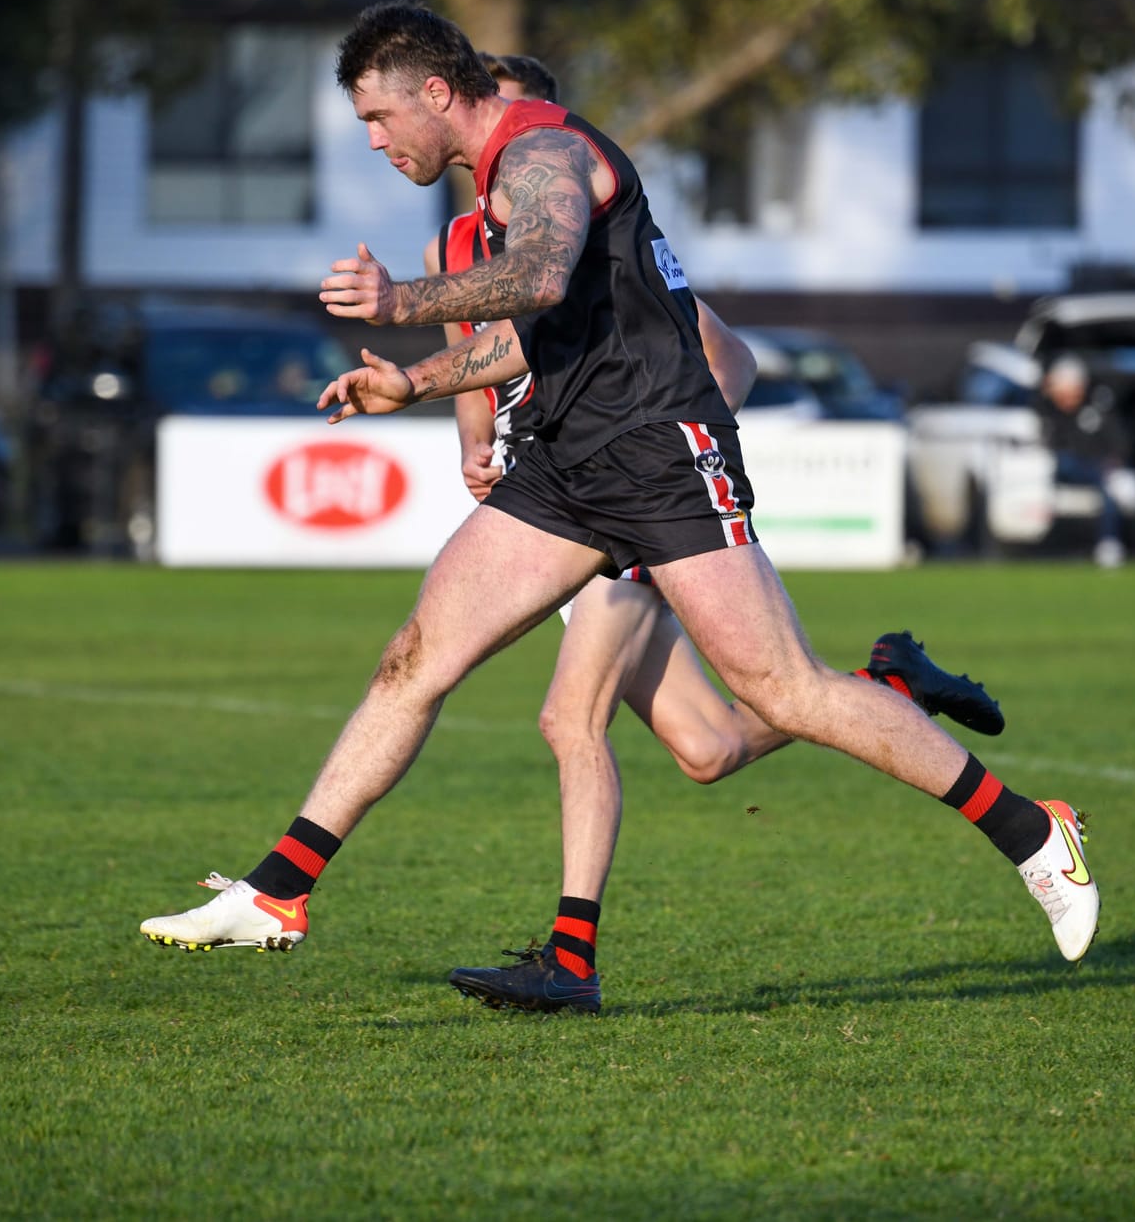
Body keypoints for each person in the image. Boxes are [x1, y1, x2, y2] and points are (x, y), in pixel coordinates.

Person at [138, 1, 1098, 987]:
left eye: (378, 120)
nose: (375, 142)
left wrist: (400, 304)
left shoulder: (540, 151)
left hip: (657, 454)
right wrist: (412, 381)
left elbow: (540, 277)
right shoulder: (500, 179)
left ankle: (1032, 832)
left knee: (778, 693)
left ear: (434, 92)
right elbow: (530, 331)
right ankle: (275, 890)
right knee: (413, 661)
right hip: (564, 467)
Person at [426, 53, 1004, 1013]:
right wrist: (478, 445)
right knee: (707, 750)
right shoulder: (461, 240)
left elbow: (722, 359)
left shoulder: (592, 238)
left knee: (569, 718)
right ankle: (891, 684)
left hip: (641, 502)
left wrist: (660, 459)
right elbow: (472, 369)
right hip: (556, 502)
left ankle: (570, 959)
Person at [1038, 354, 1130, 569]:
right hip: (1066, 468)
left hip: (1097, 470)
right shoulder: (1047, 410)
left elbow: (1119, 442)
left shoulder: (1097, 409)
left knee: (1110, 489)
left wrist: (1115, 464)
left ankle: (1109, 543)